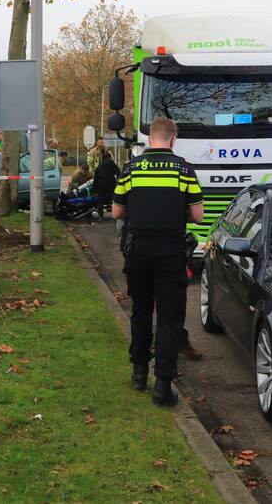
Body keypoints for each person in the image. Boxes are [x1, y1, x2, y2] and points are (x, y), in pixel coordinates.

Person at [112, 117, 203, 406]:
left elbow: (116, 212)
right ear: (173, 140)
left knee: (140, 309)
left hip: (138, 250)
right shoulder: (184, 170)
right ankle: (162, 385)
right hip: (170, 251)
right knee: (169, 316)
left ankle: (139, 372)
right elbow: (198, 216)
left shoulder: (131, 169)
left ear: (150, 139)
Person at [92, 151, 119, 218]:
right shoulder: (112, 165)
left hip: (101, 186)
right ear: (109, 157)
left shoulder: (99, 167)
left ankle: (100, 216)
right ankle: (115, 215)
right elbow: (119, 174)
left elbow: (95, 179)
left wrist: (95, 189)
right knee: (113, 200)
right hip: (111, 185)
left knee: (100, 201)